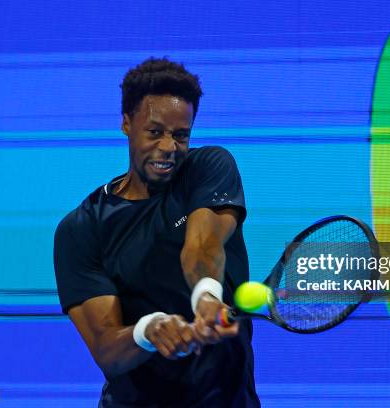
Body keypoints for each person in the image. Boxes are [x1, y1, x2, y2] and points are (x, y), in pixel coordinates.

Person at [53, 57, 260, 407]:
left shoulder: (208, 168)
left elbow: (202, 245)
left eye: (181, 135)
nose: (168, 147)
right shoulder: (81, 228)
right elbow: (107, 350)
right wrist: (148, 331)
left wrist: (206, 297)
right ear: (126, 124)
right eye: (154, 132)